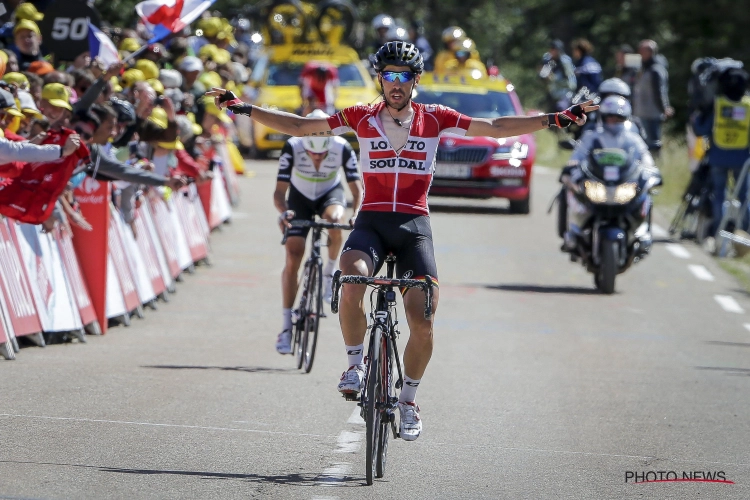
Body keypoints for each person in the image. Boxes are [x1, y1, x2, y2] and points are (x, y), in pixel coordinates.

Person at [207, 41, 596, 441]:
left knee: (423, 319)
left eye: (404, 76)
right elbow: (301, 127)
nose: (396, 83)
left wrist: (556, 119)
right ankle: (356, 364)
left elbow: (496, 129)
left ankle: (408, 399)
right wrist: (242, 108)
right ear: (380, 78)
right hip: (372, 222)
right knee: (351, 276)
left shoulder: (436, 118)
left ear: (416, 80)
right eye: (389, 75)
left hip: (413, 225)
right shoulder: (360, 117)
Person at [274, 110, 363, 354]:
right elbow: (279, 192)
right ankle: (285, 327)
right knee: (293, 254)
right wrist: (284, 212)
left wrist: (356, 214)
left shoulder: (342, 146)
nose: (316, 159)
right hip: (299, 198)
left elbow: (356, 190)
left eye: (322, 154)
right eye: (312, 154)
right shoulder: (292, 146)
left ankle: (328, 272)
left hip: (329, 193)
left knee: (336, 220)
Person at [558, 95, 657, 248]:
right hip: (597, 182)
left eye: (618, 118)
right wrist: (572, 167)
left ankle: (641, 233)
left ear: (625, 119)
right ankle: (575, 231)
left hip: (622, 183)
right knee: (574, 192)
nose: (613, 121)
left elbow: (645, 157)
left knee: (644, 195)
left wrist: (650, 172)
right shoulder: (592, 136)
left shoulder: (632, 139)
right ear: (602, 117)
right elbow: (578, 156)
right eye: (610, 117)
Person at [691, 68, 750, 241]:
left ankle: (719, 231)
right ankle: (744, 234)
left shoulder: (717, 105)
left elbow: (700, 130)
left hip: (718, 157)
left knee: (719, 195)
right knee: (744, 197)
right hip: (742, 159)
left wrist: (698, 114)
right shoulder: (747, 106)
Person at [632, 40, 673, 152]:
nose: (639, 53)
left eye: (642, 51)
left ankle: (655, 165)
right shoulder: (643, 68)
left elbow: (659, 91)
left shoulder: (656, 70)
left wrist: (664, 108)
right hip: (641, 113)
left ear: (649, 52)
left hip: (652, 113)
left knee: (653, 143)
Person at [539, 39, 577, 112]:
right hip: (553, 94)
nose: (552, 51)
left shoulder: (565, 61)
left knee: (561, 112)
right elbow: (543, 75)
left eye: (554, 49)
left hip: (565, 94)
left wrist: (553, 78)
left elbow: (571, 81)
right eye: (551, 48)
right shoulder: (549, 60)